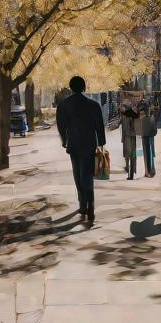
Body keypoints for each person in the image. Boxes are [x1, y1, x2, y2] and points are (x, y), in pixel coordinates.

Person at [56, 76, 106, 224]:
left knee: (78, 175)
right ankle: (90, 206)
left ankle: (82, 205)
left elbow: (61, 125)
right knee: (87, 175)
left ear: (71, 87)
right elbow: (99, 126)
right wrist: (101, 142)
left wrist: (64, 140)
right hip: (89, 145)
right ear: (84, 87)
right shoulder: (93, 105)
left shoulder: (64, 105)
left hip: (74, 145)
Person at [138, 100, 157, 178]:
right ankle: (150, 171)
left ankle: (148, 171)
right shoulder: (151, 117)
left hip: (146, 135)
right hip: (150, 134)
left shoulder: (144, 118)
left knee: (147, 153)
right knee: (150, 153)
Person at [120, 104, 138, 179]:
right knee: (133, 155)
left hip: (127, 136)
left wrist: (122, 139)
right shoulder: (135, 116)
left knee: (128, 154)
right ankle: (132, 172)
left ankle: (128, 169)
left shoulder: (124, 117)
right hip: (133, 136)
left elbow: (124, 129)